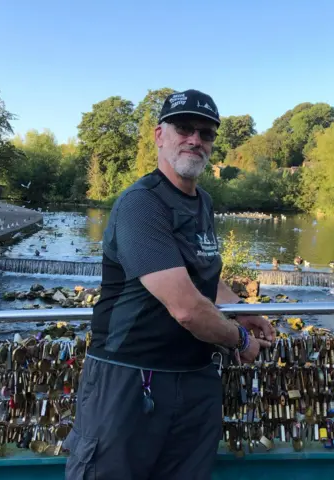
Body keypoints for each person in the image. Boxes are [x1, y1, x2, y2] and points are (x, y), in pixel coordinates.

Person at [64, 89, 275, 480]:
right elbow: (187, 309)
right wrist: (240, 341)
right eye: (183, 128)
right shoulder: (141, 204)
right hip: (130, 376)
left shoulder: (203, 202)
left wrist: (246, 312)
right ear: (159, 135)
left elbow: (205, 278)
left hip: (195, 377)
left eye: (206, 133)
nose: (195, 139)